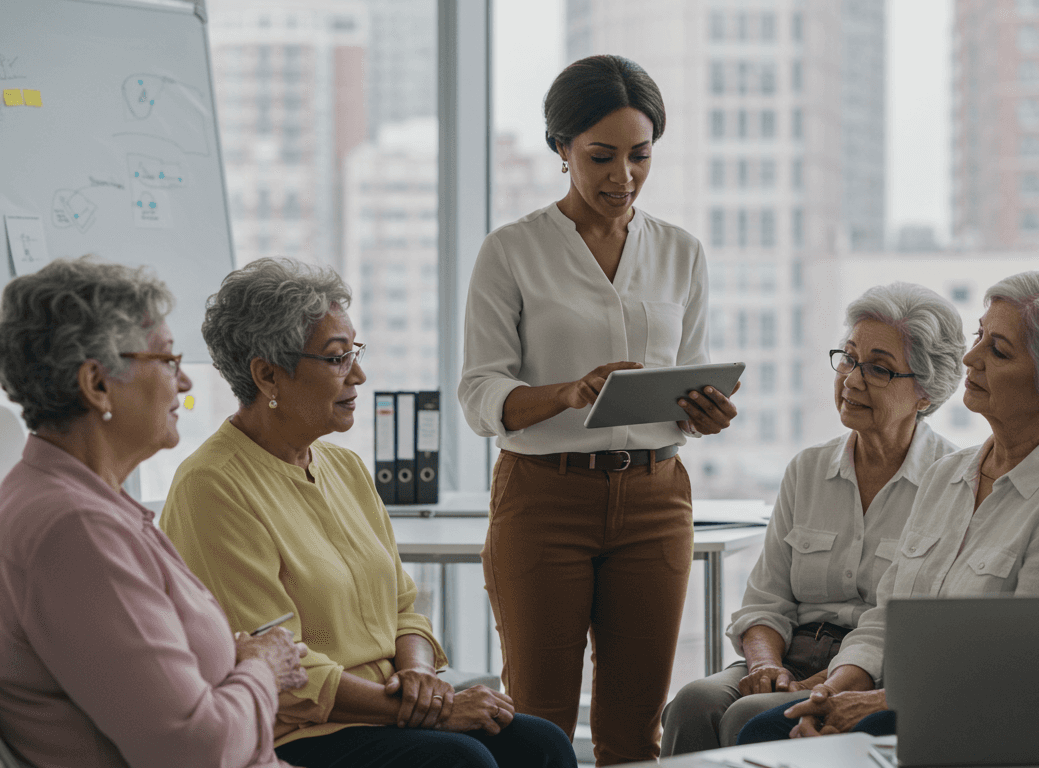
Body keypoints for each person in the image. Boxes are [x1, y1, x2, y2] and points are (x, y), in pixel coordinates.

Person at [159, 258, 575, 768]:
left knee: (542, 743)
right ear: (268, 375)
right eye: (336, 359)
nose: (358, 373)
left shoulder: (346, 467)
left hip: (390, 708)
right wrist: (428, 712)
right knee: (459, 761)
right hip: (299, 731)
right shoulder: (212, 486)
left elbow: (403, 607)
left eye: (353, 352)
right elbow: (279, 664)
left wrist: (422, 680)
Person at [459, 55, 735, 764]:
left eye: (640, 156)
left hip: (655, 497)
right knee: (541, 722)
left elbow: (685, 379)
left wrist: (701, 412)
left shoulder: (681, 252)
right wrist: (571, 391)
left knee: (633, 729)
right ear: (561, 150)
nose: (623, 177)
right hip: (543, 498)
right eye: (601, 156)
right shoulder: (512, 252)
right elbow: (480, 394)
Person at [738, 270, 1039, 743]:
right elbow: (888, 618)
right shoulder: (949, 474)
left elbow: (1028, 674)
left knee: (764, 735)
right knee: (765, 729)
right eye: (979, 336)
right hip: (905, 701)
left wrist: (878, 704)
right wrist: (833, 695)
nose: (970, 358)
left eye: (998, 350)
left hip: (984, 726)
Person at [0, 258, 309, 768]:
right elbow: (194, 751)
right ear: (97, 384)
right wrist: (264, 668)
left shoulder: (84, 500)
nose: (185, 383)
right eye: (167, 360)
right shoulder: (76, 530)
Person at [660, 283, 966, 754]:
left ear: (926, 393)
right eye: (847, 358)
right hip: (791, 652)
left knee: (749, 714)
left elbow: (900, 623)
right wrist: (764, 665)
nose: (851, 380)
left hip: (876, 669)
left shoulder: (951, 483)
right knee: (693, 702)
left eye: (878, 369)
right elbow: (766, 598)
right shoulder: (808, 468)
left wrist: (826, 684)